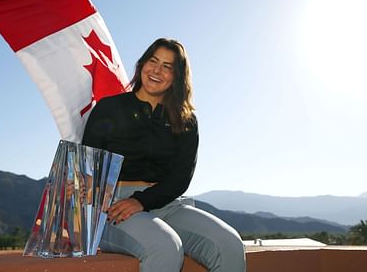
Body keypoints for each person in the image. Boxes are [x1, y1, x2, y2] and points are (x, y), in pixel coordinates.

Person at [82, 38, 246, 272]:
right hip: (113, 207)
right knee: (165, 245)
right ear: (142, 64)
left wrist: (142, 200)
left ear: (177, 76)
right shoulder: (109, 108)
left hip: (166, 203)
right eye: (153, 61)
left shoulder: (186, 120)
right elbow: (87, 162)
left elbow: (181, 177)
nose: (157, 70)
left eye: (167, 66)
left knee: (229, 243)